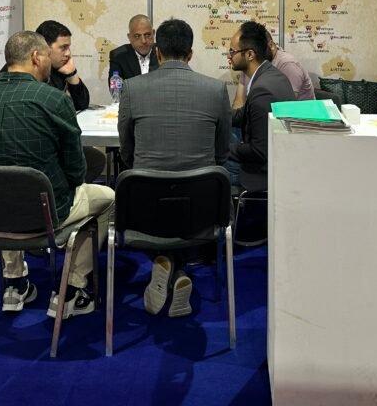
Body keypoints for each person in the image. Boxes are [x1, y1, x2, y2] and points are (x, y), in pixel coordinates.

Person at [0, 30, 114, 319]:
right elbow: (76, 171)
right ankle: (72, 287)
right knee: (108, 199)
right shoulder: (53, 101)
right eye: (46, 55)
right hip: (44, 215)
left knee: (4, 187)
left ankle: (14, 282)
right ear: (36, 57)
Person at [117, 18, 231, 317]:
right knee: (183, 199)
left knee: (160, 198)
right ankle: (177, 268)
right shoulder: (216, 89)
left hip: (144, 210)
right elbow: (221, 153)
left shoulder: (131, 89)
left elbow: (126, 151)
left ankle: (165, 263)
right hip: (202, 211)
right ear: (190, 54)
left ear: (157, 52)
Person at [225, 20, 294, 191]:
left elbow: (259, 151)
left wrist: (223, 148)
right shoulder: (271, 75)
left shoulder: (262, 90)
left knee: (209, 160)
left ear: (250, 54)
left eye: (232, 51)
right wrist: (215, 113)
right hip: (275, 159)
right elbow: (243, 115)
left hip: (261, 173)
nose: (228, 56)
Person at [236, 31, 314, 102]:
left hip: (296, 112)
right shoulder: (250, 62)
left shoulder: (288, 64)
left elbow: (287, 105)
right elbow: (239, 101)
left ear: (271, 45)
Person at [36, 19, 90, 112]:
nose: (68, 53)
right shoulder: (32, 71)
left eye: (68, 47)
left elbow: (82, 104)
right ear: (44, 48)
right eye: (63, 48)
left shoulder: (59, 68)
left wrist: (72, 74)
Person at [107, 14, 159, 84]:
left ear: (153, 33)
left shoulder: (163, 52)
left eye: (147, 35)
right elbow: (115, 88)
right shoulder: (118, 56)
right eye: (137, 36)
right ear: (129, 37)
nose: (143, 41)